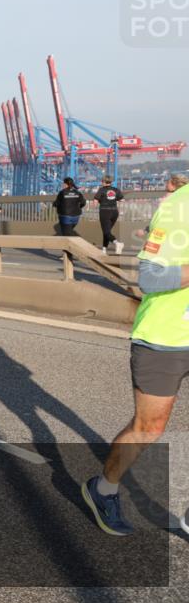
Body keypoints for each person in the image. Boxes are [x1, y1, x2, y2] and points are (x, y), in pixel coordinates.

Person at [82, 175, 188, 536]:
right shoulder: (178, 208)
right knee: (149, 428)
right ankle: (103, 488)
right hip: (166, 336)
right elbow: (151, 277)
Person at [93, 175, 125, 255]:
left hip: (105, 212)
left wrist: (97, 203)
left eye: (102, 181)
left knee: (106, 232)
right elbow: (122, 200)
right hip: (114, 212)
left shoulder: (101, 190)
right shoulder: (116, 190)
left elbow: (95, 201)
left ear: (103, 182)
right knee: (107, 232)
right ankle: (104, 250)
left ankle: (117, 243)